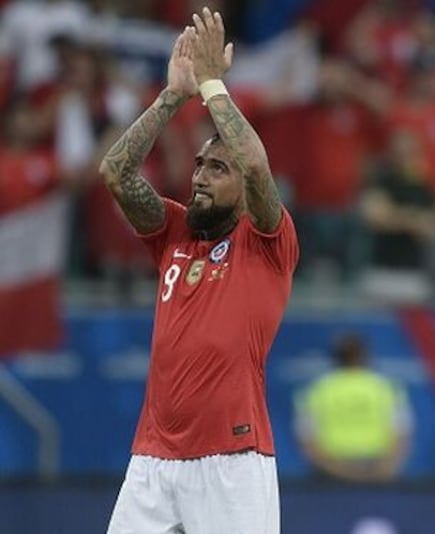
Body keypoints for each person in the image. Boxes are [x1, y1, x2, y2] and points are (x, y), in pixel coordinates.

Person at [102, 8, 297, 534]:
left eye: (217, 168)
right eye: (199, 166)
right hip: (152, 458)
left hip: (233, 457)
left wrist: (212, 83)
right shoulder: (174, 230)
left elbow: (255, 165)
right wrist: (173, 95)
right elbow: (115, 173)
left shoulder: (267, 241)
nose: (201, 178)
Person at [294, 333, 413, 482]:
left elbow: (308, 441)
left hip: (330, 476)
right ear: (364, 355)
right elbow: (401, 438)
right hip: (375, 472)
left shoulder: (317, 391)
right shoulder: (386, 389)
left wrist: (341, 471)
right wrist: (383, 471)